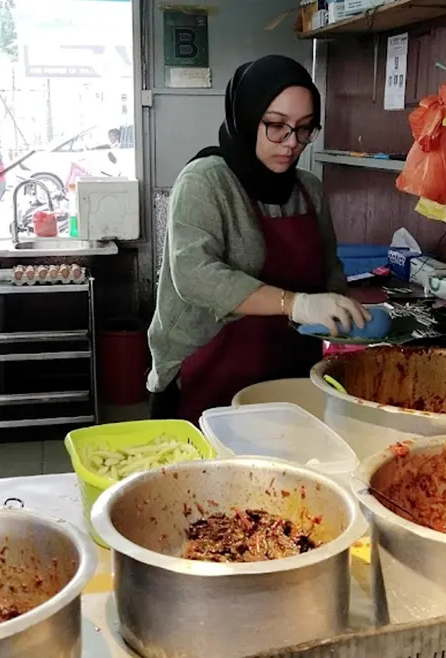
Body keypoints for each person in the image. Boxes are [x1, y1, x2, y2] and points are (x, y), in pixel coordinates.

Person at [146, 54, 368, 423]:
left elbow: (329, 271)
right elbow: (195, 276)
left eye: (304, 129)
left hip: (292, 372)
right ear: (247, 118)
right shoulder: (206, 181)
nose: (291, 143)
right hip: (208, 371)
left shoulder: (308, 190)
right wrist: (295, 304)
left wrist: (348, 318)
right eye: (276, 126)